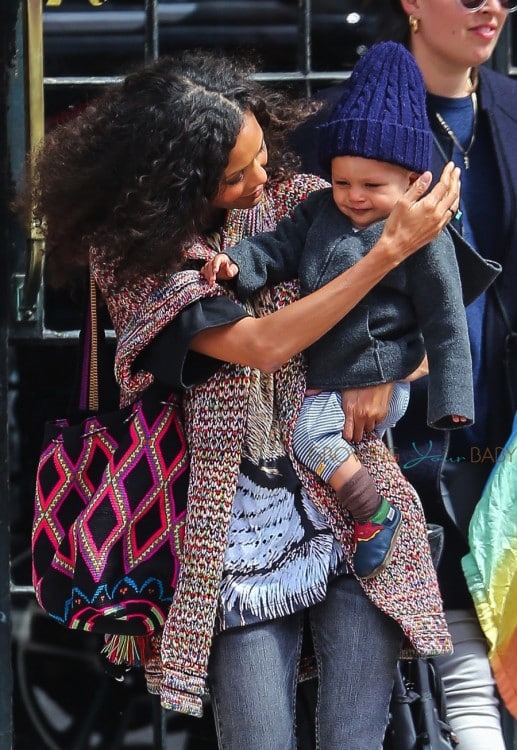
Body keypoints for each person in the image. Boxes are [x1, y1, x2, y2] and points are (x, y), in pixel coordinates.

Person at [24, 50, 460, 750]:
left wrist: (389, 366)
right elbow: (259, 344)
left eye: (262, 153)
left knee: (355, 738)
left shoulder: (303, 199)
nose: (263, 179)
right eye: (237, 173)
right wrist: (381, 256)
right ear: (182, 182)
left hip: (353, 504)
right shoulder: (133, 254)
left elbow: (427, 319)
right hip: (231, 535)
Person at [293, 2, 517, 748]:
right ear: (411, 4)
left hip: (492, 411)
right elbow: (299, 270)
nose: (489, 4)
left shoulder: (510, 110)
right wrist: (375, 365)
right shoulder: (343, 125)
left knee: (477, 616)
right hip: (372, 428)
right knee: (377, 647)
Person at [201, 41, 500, 582]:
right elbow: (275, 246)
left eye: (373, 186)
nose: (354, 197)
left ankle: (374, 516)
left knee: (310, 438)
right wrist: (235, 266)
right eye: (342, 182)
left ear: (413, 183)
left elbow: (447, 323)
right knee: (311, 442)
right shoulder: (319, 211)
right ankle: (348, 522)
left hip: (379, 371)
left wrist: (454, 402)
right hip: (327, 371)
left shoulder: (424, 242)